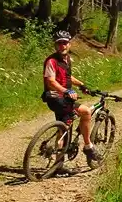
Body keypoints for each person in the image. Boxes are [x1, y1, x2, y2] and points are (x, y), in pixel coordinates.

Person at [42, 31, 103, 162]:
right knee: (85, 112)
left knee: (65, 125)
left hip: (64, 98)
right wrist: (66, 91)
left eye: (64, 43)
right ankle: (88, 147)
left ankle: (60, 157)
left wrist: (81, 85)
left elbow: (68, 77)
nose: (62, 46)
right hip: (56, 98)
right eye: (59, 43)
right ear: (55, 45)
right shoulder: (51, 61)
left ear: (69, 44)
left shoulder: (67, 59)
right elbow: (51, 82)